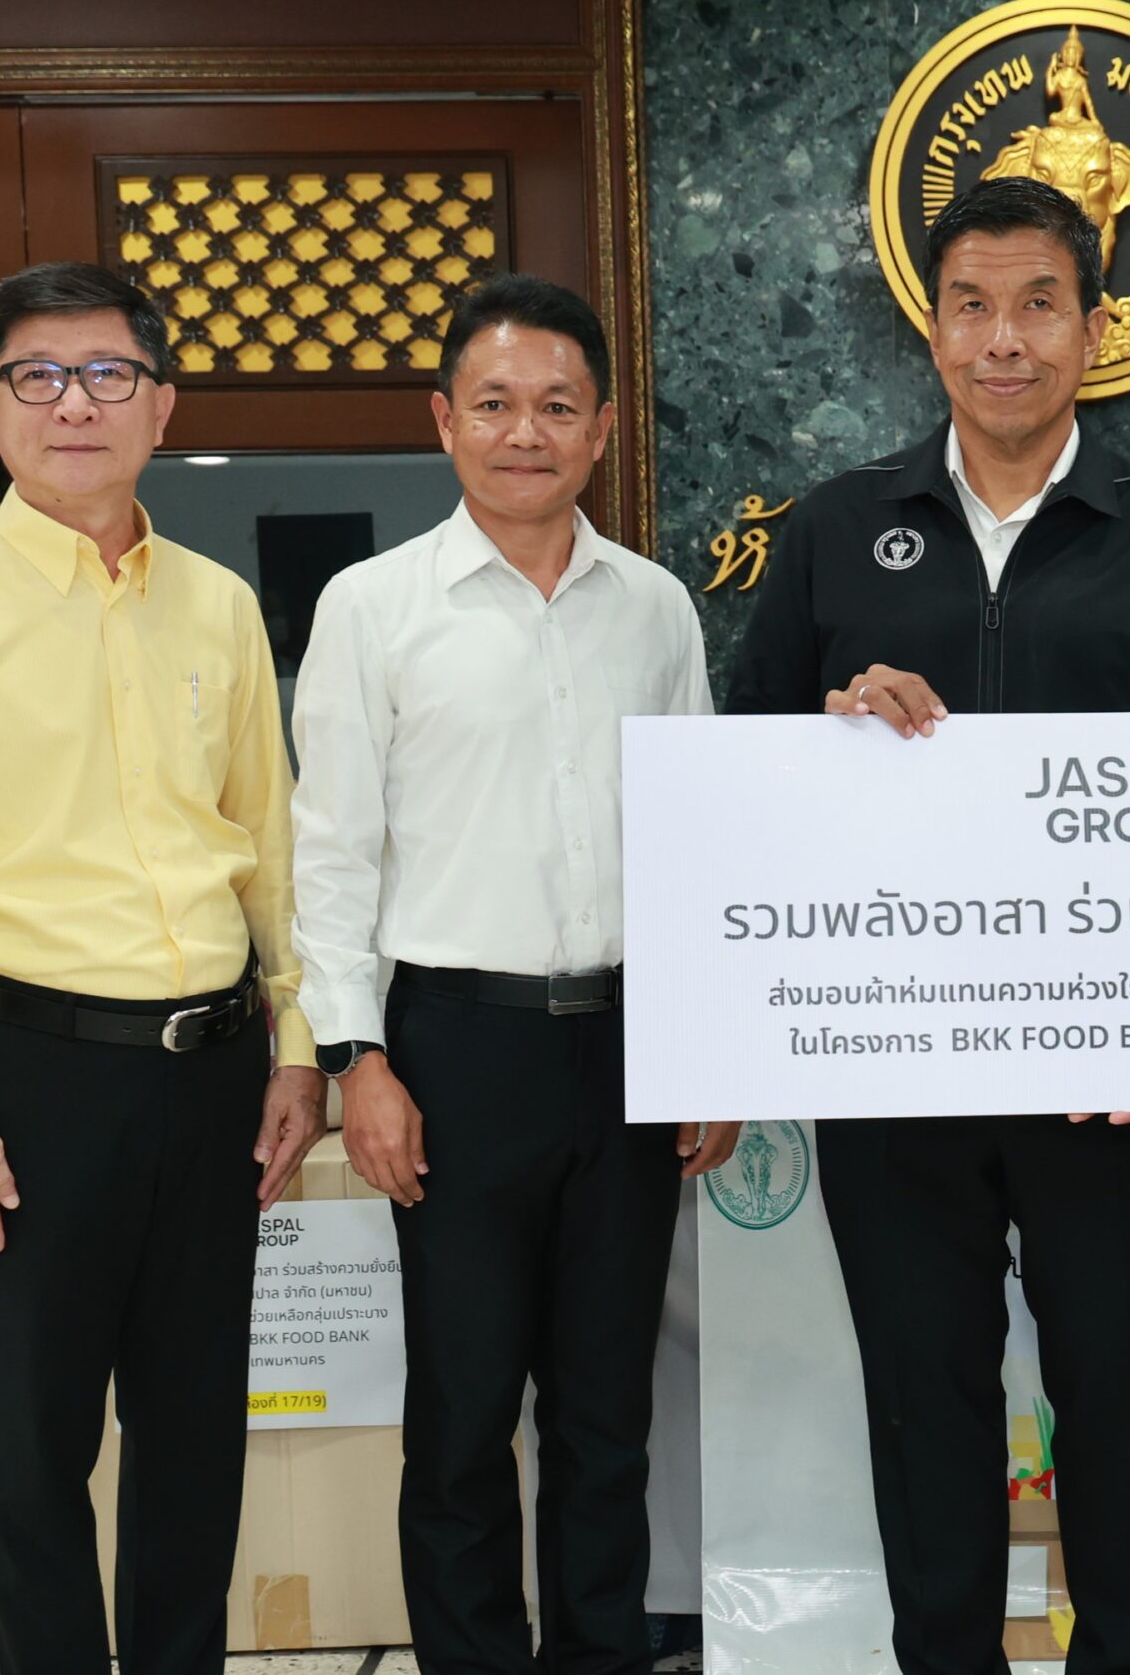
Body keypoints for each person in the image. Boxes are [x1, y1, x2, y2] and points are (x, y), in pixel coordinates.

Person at [724, 175, 1130, 1675]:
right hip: (892, 1070)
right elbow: (746, 783)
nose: (1004, 339)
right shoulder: (836, 532)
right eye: (971, 306)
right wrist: (833, 726)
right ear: (932, 330)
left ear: (1095, 329)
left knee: (1115, 1393)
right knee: (926, 1403)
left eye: (1039, 304)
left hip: (1110, 1076)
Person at [0, 261, 325, 1674]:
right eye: (36, 377)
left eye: (110, 373)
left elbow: (270, 848)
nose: (75, 404)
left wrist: (297, 1043)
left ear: (162, 406)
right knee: (38, 1448)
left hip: (215, 1074)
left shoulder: (217, 605)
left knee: (196, 1433)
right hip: (31, 1079)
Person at [291, 273, 735, 1675]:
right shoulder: (372, 608)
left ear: (601, 428)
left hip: (624, 1044)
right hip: (452, 1050)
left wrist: (706, 1045)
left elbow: (696, 838)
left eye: (556, 405)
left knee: (608, 1415)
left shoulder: (655, 608)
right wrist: (357, 1058)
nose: (524, 432)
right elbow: (331, 854)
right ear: (444, 420)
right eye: (493, 403)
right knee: (465, 1412)